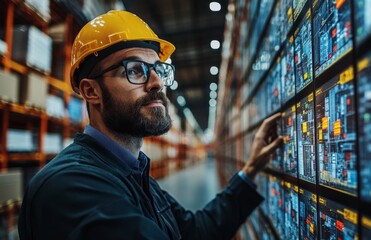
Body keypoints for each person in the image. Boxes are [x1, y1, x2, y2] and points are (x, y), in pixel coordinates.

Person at [18, 10, 283, 240]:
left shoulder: (137, 175)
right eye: (134, 70)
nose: (156, 82)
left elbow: (196, 232)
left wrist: (249, 171)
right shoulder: (71, 187)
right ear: (91, 92)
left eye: (159, 69)